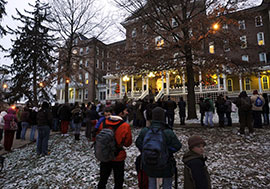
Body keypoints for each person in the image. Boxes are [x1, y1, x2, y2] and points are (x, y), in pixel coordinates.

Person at [136, 107, 182, 189]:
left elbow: (138, 143)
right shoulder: (168, 132)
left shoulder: (145, 131)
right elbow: (177, 146)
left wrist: (147, 150)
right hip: (166, 162)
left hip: (149, 161)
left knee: (151, 182)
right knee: (167, 184)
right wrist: (167, 151)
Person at [96, 102, 132, 189]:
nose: (127, 112)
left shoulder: (104, 123)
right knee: (118, 181)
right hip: (118, 156)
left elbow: (98, 136)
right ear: (120, 113)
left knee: (103, 179)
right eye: (125, 111)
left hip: (105, 154)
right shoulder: (125, 126)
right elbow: (128, 143)